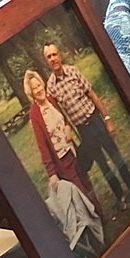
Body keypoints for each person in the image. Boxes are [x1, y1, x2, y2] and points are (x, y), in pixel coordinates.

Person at [42, 43, 130, 209]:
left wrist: (107, 119)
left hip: (95, 121)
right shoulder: (50, 87)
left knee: (116, 156)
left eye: (54, 54)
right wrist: (67, 128)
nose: (53, 59)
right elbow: (58, 114)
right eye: (49, 57)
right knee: (103, 164)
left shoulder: (73, 72)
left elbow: (93, 95)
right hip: (83, 130)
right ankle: (120, 196)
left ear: (60, 55)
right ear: (46, 61)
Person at [24, 69, 100, 220]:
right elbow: (42, 146)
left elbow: (64, 119)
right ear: (30, 93)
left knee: (87, 183)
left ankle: (100, 215)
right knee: (80, 191)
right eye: (34, 88)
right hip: (62, 160)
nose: (38, 90)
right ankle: (92, 222)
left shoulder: (52, 100)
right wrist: (52, 173)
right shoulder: (35, 115)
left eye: (38, 85)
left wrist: (67, 127)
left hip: (72, 151)